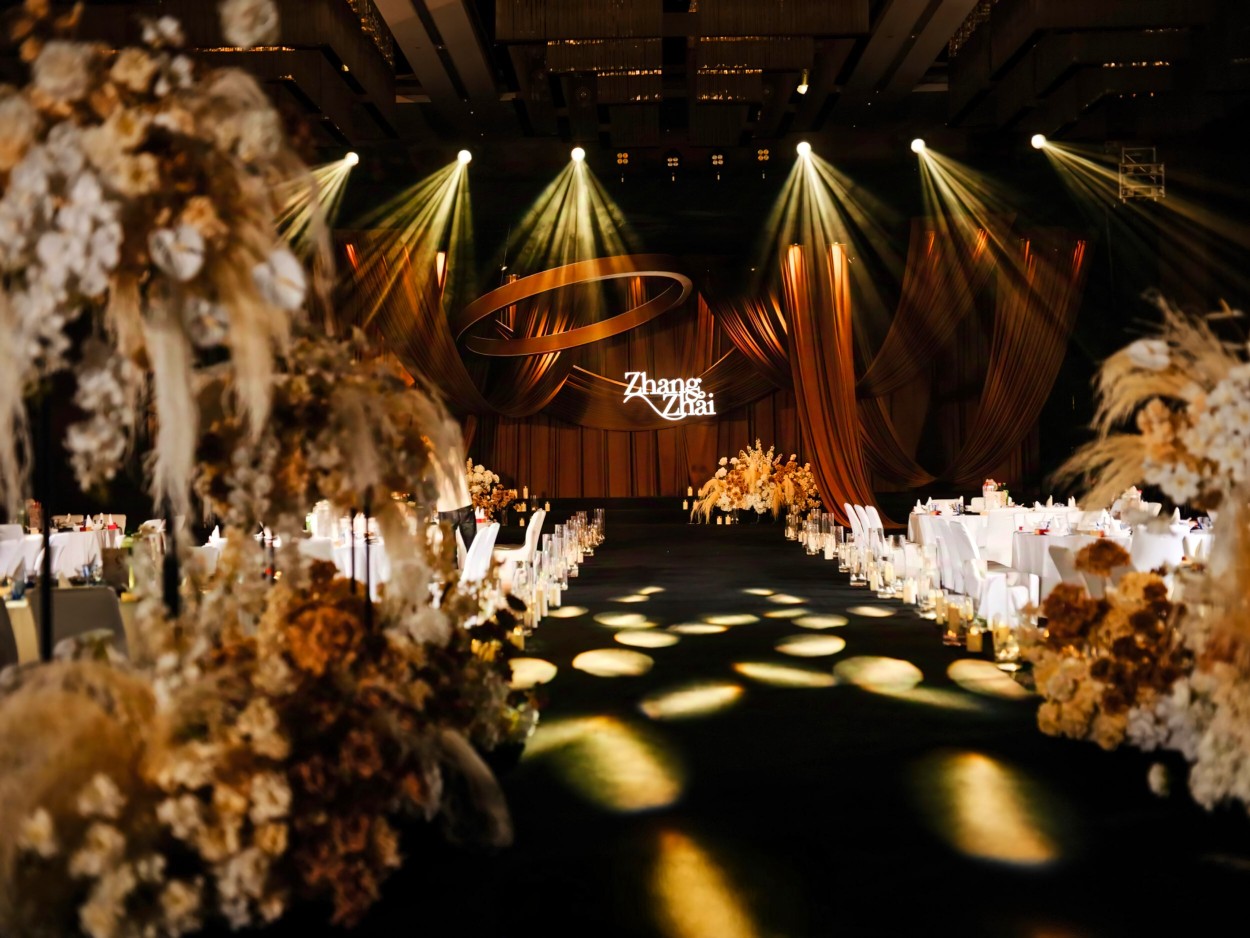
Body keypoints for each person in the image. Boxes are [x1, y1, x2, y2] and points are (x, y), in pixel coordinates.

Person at [435, 457, 476, 559]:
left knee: (450, 554)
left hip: (446, 505)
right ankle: (477, 569)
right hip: (464, 502)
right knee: (473, 550)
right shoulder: (455, 451)